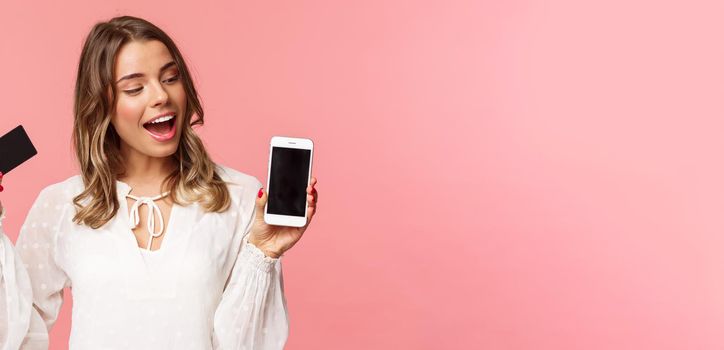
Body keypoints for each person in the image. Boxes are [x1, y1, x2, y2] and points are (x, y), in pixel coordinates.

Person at [0, 15, 318, 350]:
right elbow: (15, 334)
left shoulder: (239, 197)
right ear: (101, 106)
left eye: (170, 78)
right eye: (135, 88)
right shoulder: (62, 204)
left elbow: (244, 345)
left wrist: (263, 253)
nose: (161, 96)